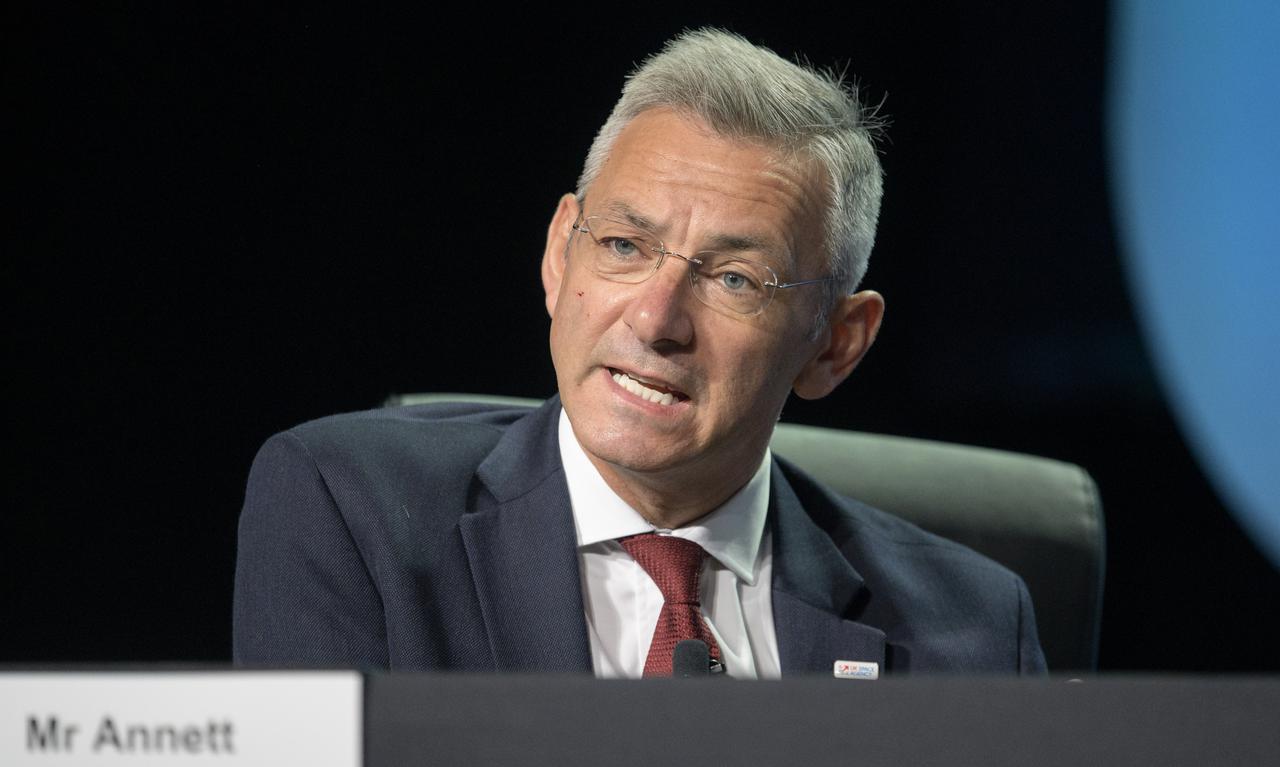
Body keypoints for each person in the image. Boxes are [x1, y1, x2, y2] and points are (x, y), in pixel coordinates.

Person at [233, 29, 1046, 676]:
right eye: (624, 244)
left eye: (734, 279)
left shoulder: (973, 631)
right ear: (561, 255)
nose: (657, 320)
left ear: (836, 344)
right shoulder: (349, 508)